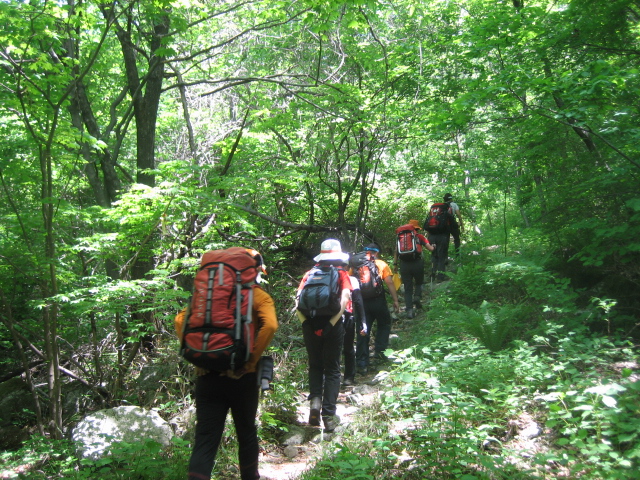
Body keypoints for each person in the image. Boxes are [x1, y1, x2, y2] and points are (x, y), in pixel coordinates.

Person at [183, 248, 278, 480]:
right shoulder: (257, 295)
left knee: (205, 437)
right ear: (252, 270)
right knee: (246, 432)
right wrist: (251, 361)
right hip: (242, 375)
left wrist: (198, 357)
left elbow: (180, 320)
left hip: (208, 375)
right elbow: (271, 326)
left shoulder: (205, 296)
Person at [295, 239, 352, 432]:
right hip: (332, 325)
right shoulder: (342, 273)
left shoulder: (309, 274)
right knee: (333, 369)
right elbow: (344, 301)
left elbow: (297, 304)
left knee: (315, 366)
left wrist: (307, 325)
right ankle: (328, 415)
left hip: (309, 325)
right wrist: (330, 325)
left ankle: (314, 406)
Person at [352, 243, 400, 375]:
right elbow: (389, 282)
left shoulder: (356, 264)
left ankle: (362, 363)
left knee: (362, 330)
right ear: (377, 253)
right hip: (378, 301)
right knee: (384, 324)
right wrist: (395, 300)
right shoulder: (381, 264)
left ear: (365, 252)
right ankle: (380, 354)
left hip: (361, 303)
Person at [394, 220, 434, 319]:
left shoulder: (400, 238)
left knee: (407, 288)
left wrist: (395, 264)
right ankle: (417, 297)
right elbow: (430, 248)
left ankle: (409, 311)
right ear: (416, 228)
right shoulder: (419, 237)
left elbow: (396, 252)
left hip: (404, 265)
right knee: (419, 282)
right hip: (417, 263)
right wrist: (434, 247)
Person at [342, 274, 368, 387]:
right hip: (347, 317)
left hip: (327, 318)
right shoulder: (351, 279)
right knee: (348, 347)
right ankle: (349, 377)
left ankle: (327, 378)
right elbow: (358, 300)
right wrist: (363, 321)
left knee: (330, 348)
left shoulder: (326, 276)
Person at [427, 197, 454, 283]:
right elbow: (451, 223)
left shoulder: (432, 214)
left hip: (431, 236)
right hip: (442, 236)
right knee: (441, 256)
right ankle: (440, 277)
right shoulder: (446, 211)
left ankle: (433, 274)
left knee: (434, 255)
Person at [444, 193, 464, 259]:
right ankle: (457, 255)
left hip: (445, 225)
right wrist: (461, 224)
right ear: (451, 198)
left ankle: (445, 257)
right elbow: (458, 214)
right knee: (457, 239)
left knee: (445, 240)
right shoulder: (454, 204)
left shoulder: (442, 205)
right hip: (452, 223)